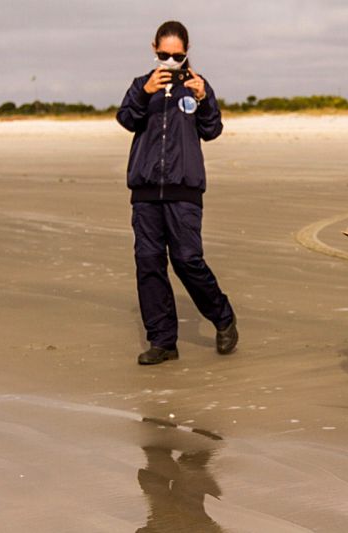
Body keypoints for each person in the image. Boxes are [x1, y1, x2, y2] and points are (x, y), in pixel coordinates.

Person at [117, 21, 238, 366]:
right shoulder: (141, 85)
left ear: (187, 51)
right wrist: (145, 93)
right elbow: (126, 119)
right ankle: (162, 341)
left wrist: (203, 99)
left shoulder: (198, 86)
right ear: (154, 48)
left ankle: (223, 316)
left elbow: (212, 130)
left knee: (187, 260)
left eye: (178, 55)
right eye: (165, 54)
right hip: (145, 190)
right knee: (149, 264)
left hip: (184, 190)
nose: (171, 60)